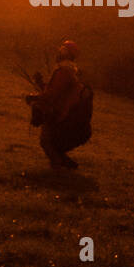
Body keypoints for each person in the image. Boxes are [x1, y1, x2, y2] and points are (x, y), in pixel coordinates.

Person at [25, 39, 92, 170]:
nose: (59, 51)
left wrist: (34, 97)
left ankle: (57, 167)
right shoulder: (68, 70)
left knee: (46, 141)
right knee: (51, 143)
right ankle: (67, 165)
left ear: (67, 54)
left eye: (63, 49)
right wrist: (40, 83)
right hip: (62, 112)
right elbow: (54, 90)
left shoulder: (65, 71)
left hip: (60, 114)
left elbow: (52, 94)